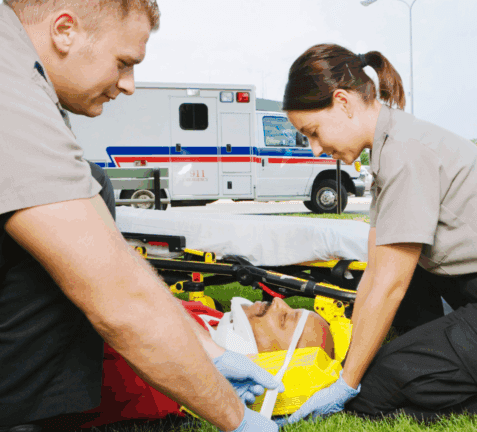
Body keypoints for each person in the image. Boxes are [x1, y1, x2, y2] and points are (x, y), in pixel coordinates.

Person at [279, 44, 477, 424]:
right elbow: (375, 275)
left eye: (313, 132)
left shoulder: (405, 152)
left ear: (343, 102)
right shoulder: (390, 147)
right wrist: (350, 365)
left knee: (371, 396)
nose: (316, 148)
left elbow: (389, 286)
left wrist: (347, 385)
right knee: (372, 366)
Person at [0, 2, 280, 431]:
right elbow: (116, 297)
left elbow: (104, 250)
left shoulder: (27, 79)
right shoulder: (9, 87)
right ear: (65, 31)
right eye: (124, 63)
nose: (129, 85)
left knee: (93, 184)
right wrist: (237, 419)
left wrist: (210, 351)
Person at [78, 298, 335, 429]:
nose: (278, 302)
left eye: (285, 320)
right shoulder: (214, 318)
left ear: (274, 363)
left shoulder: (158, 386)